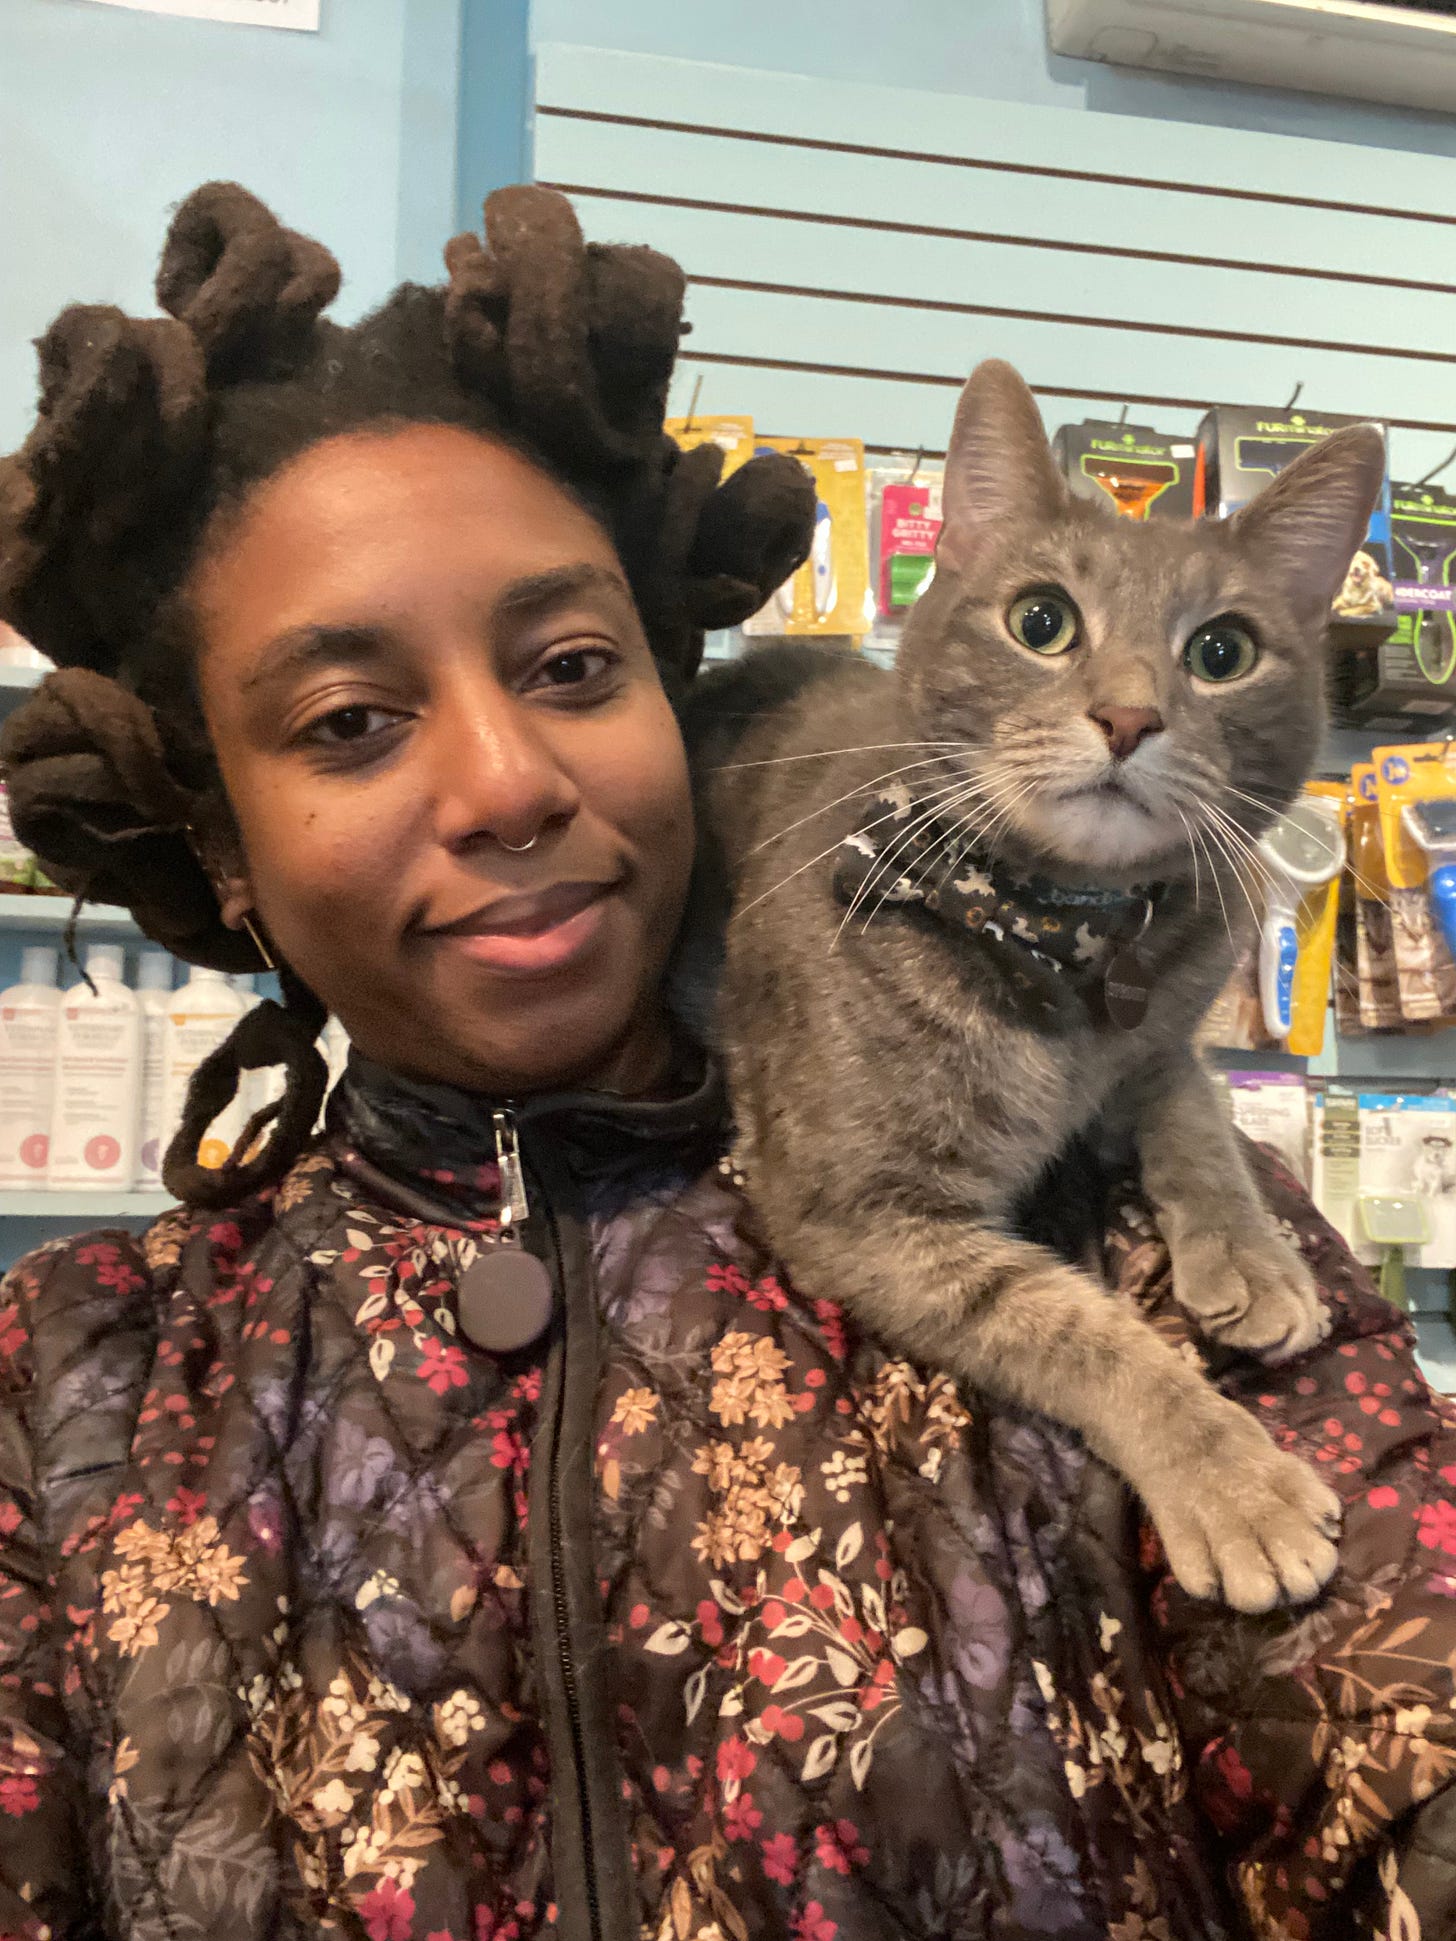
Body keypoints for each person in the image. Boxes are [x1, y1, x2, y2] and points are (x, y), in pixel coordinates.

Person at [0, 183, 1450, 1941]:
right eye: (350, 721)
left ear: (676, 706)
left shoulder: (1153, 1244)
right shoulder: (64, 1392)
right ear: (220, 837)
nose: (507, 783)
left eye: (573, 665)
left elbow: (1401, 1711)